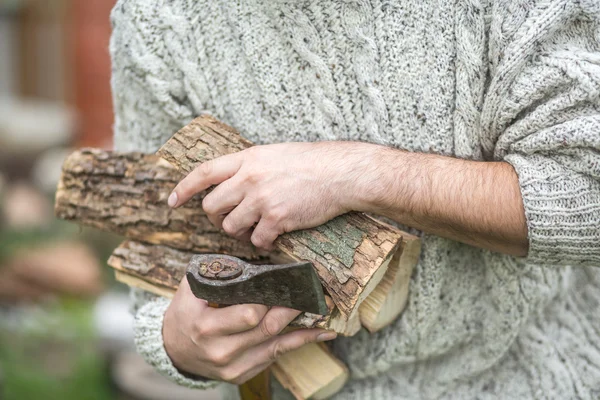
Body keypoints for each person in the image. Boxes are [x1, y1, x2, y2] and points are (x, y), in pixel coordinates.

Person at [109, 0, 600, 398]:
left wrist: (355, 173)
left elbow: (588, 199)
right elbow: (155, 247)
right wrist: (173, 342)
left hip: (527, 379)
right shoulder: (158, 19)